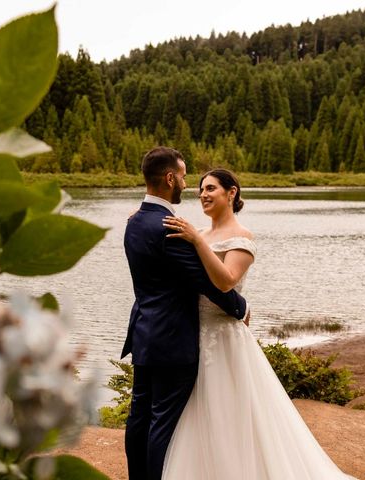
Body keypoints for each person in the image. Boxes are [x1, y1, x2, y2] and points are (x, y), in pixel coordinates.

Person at [160, 168, 357, 479]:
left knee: (231, 411)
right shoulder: (198, 232)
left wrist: (197, 241)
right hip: (193, 333)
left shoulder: (242, 238)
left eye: (211, 188)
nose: (203, 195)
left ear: (231, 193)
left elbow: (225, 282)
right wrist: (140, 216)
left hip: (224, 336)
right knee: (197, 413)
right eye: (200, 190)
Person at [121, 147, 250, 480]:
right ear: (168, 178)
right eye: (182, 176)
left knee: (138, 418)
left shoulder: (134, 222)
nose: (186, 184)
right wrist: (241, 307)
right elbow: (206, 282)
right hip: (173, 340)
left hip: (144, 334)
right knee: (162, 422)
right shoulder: (168, 228)